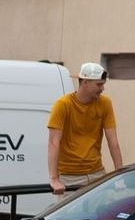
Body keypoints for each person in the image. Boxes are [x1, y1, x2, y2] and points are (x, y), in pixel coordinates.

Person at [47, 61, 124, 194]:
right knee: (70, 215)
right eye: (99, 84)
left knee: (102, 214)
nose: (102, 88)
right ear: (85, 82)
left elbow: (113, 142)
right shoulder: (63, 105)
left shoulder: (105, 103)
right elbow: (54, 142)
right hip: (70, 176)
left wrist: (120, 173)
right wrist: (54, 179)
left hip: (97, 173)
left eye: (103, 84)